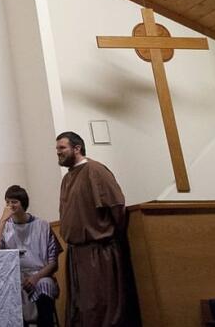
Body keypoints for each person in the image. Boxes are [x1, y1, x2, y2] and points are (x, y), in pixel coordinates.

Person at [56, 131, 137, 327]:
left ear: (77, 148)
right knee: (81, 306)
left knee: (100, 304)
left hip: (98, 251)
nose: (58, 152)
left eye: (62, 148)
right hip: (77, 252)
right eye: (57, 149)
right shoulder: (67, 178)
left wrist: (108, 235)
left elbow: (117, 206)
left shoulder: (95, 170)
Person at [0, 184, 61, 327]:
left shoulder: (43, 226)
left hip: (39, 275)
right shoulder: (4, 226)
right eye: (7, 202)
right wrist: (3, 220)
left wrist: (35, 278)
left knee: (44, 286)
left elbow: (53, 263)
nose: (10, 206)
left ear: (23, 204)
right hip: (12, 276)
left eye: (14, 202)